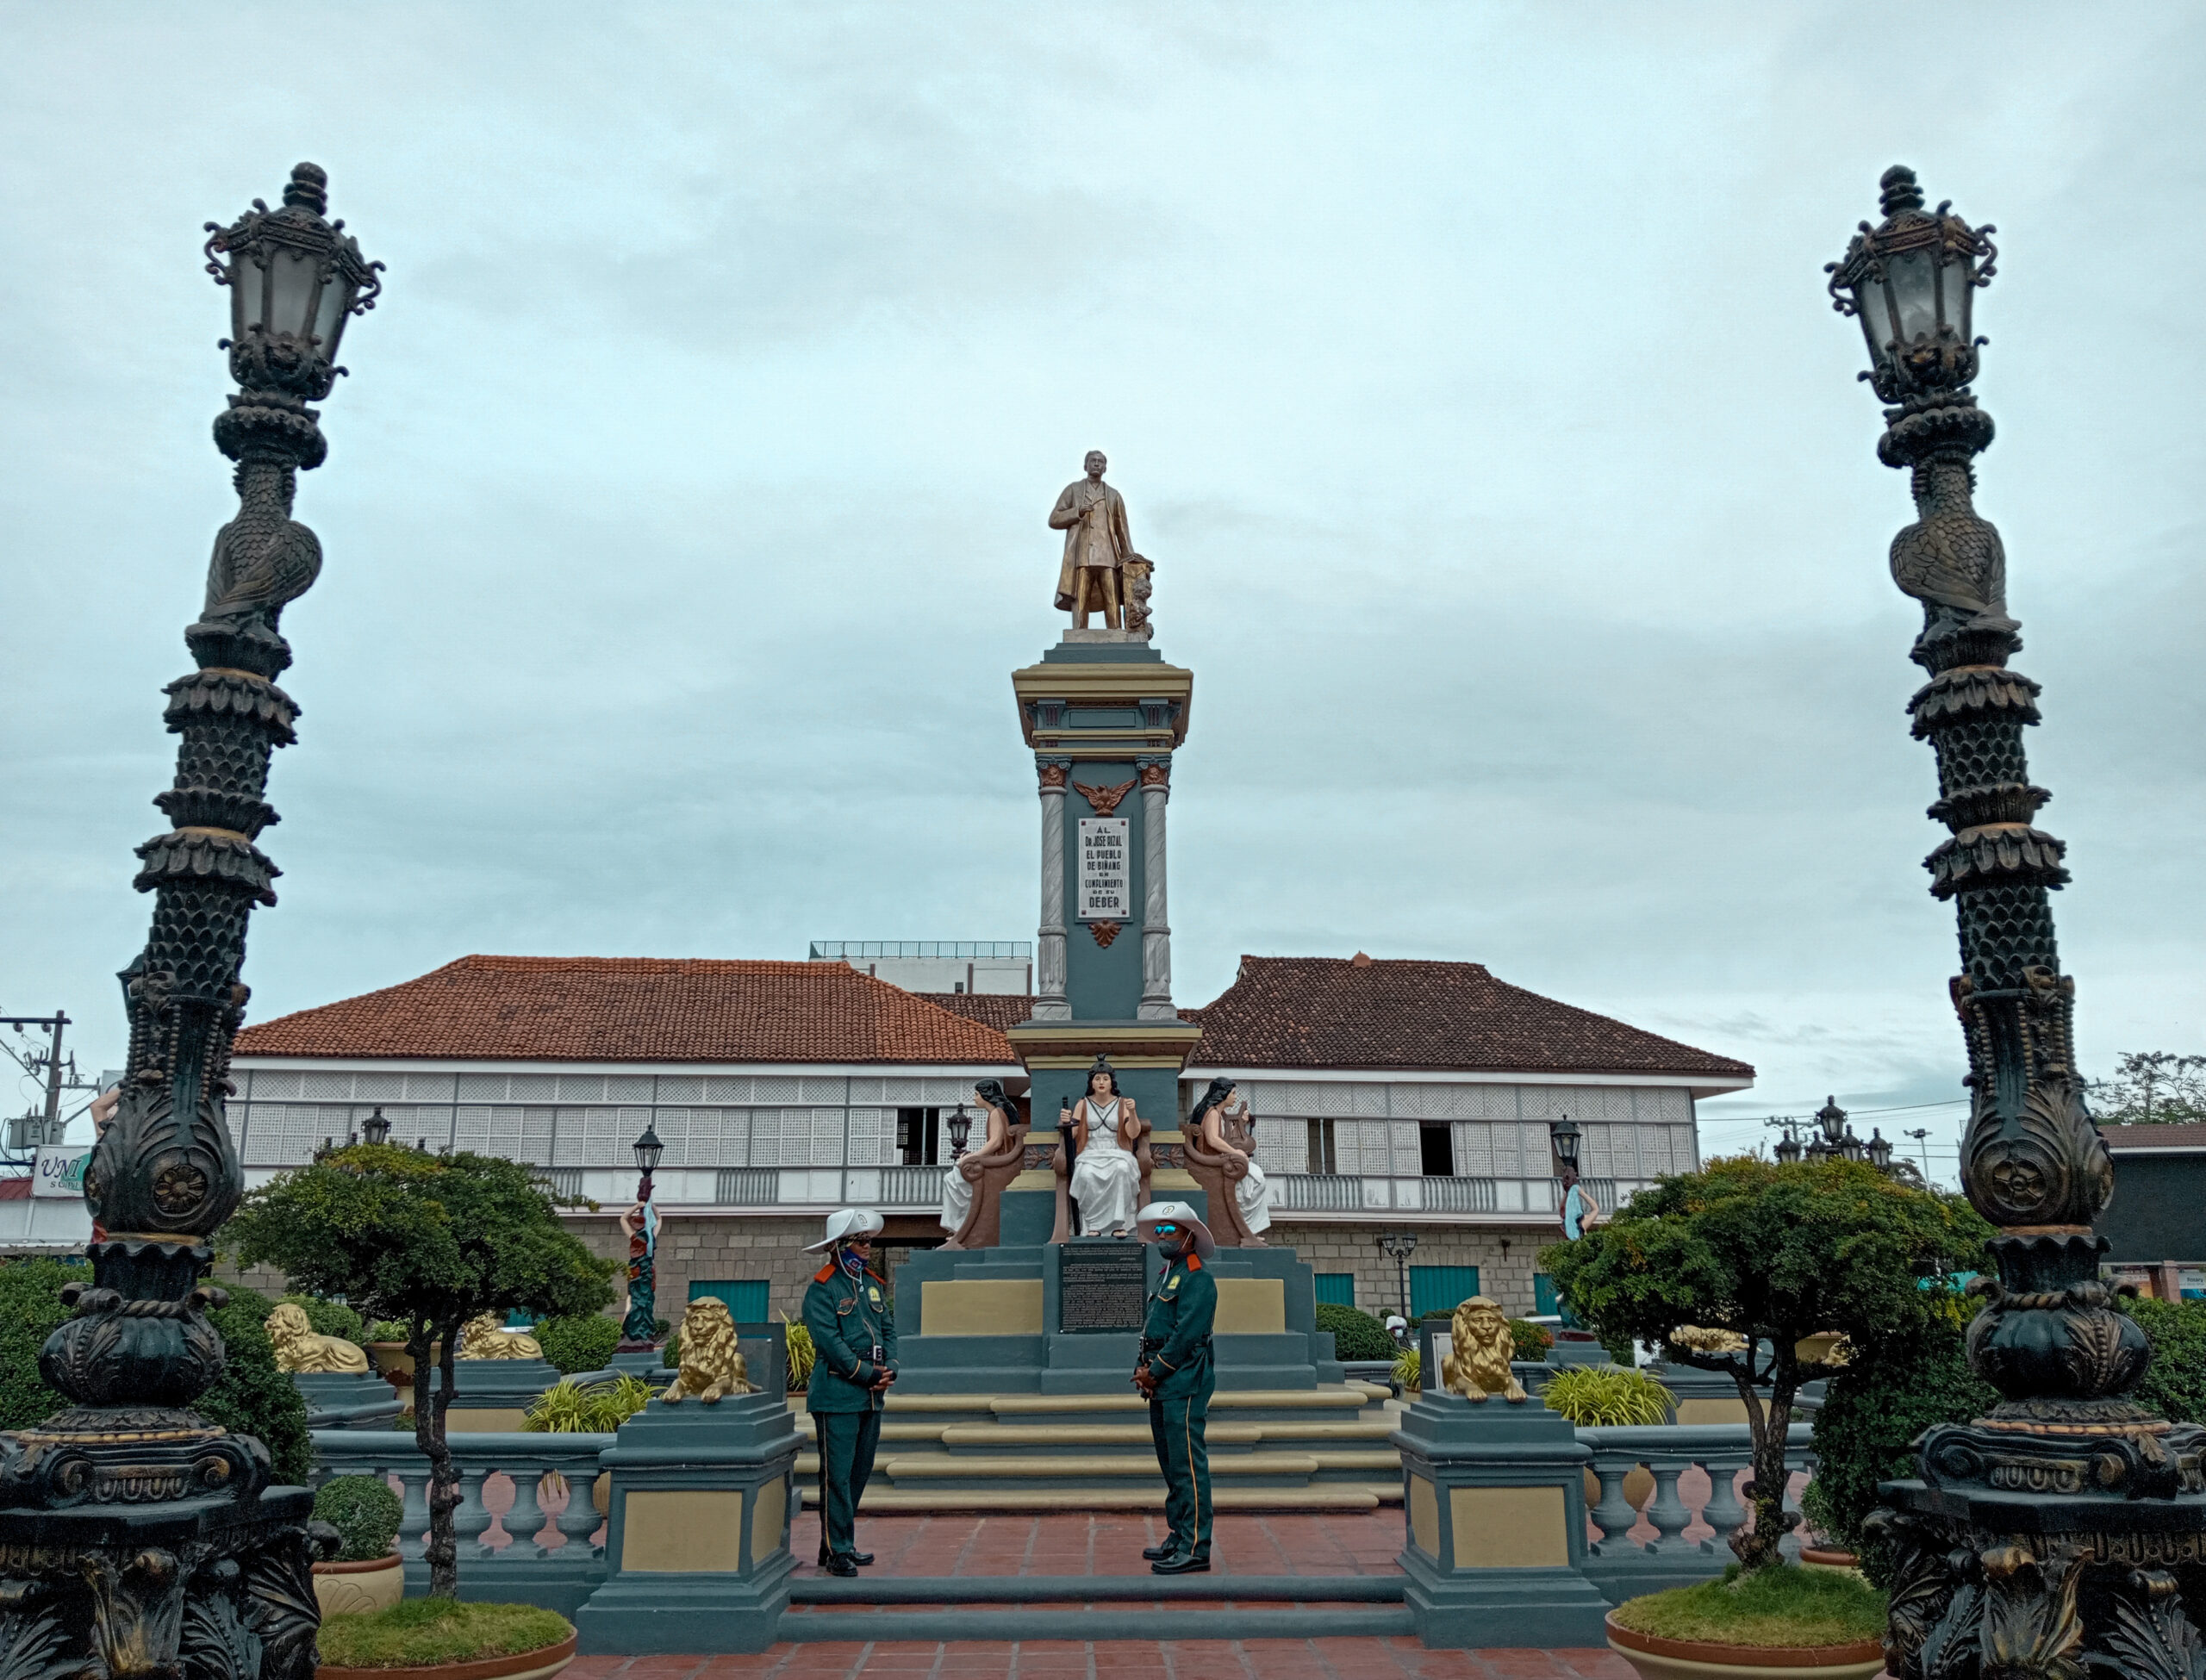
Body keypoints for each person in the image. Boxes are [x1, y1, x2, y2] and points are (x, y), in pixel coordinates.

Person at [802, 1207, 897, 1577]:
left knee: (858, 1473)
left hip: (871, 1394)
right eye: (860, 1241)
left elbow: (887, 1328)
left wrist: (892, 1368)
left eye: (868, 1240)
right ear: (839, 1246)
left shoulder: (870, 1284)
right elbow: (830, 1344)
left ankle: (837, 1544)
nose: (867, 1247)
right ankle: (838, 1548)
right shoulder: (822, 1288)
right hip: (838, 1393)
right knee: (837, 1476)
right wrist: (866, 1374)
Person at [1134, 1200, 1216, 1574]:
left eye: (1171, 1231)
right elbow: (1154, 1327)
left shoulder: (1198, 1278)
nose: (1163, 1237)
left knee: (1187, 1466)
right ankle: (1179, 1534)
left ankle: (1196, 1546)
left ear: (1190, 1237)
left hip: (1183, 1381)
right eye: (1161, 1231)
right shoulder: (1168, 1274)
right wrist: (1143, 1368)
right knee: (1170, 1464)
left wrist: (1157, 1371)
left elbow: (1187, 1336)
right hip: (1163, 1381)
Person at [1049, 451, 1135, 630]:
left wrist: (1129, 558)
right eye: (1093, 461)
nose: (1096, 464)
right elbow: (1054, 519)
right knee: (1081, 599)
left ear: (1105, 468)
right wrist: (1077, 512)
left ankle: (1116, 633)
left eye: (1100, 462)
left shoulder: (1113, 495)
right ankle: (1079, 633)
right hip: (1082, 556)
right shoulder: (1073, 490)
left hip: (1108, 556)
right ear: (1085, 466)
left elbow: (1122, 531)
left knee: (1112, 599)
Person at [1069, 1058, 1143, 1237]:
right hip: (1090, 1152)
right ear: (1091, 1082)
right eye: (1097, 1079)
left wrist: (1132, 1113)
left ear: (1112, 1082)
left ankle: (1118, 1224)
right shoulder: (1083, 1104)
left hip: (1117, 1151)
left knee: (1122, 1170)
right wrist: (1066, 1121)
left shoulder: (1122, 1103)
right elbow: (1072, 1133)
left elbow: (1132, 1134)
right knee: (1086, 1174)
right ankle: (1093, 1225)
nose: (1101, 1083)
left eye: (1105, 1079)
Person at [1189, 1076, 1269, 1241]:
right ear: (1223, 1094)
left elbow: (1224, 1138)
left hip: (1221, 1160)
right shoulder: (1212, 1113)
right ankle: (1245, 1227)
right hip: (1214, 1164)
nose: (1235, 1097)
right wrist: (1235, 1152)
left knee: (1256, 1175)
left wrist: (1242, 1123)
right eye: (1233, 1093)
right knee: (1256, 1178)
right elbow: (1213, 1140)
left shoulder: (1219, 1113)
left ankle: (1247, 1228)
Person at [939, 1080, 1013, 1239]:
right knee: (954, 1177)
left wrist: (971, 1157)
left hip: (998, 1165)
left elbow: (996, 1142)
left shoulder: (996, 1113)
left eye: (977, 1094)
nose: (974, 1098)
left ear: (986, 1095)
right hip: (994, 1162)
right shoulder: (995, 1113)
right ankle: (961, 1226)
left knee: (953, 1178)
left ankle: (962, 1227)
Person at [1559, 1166, 1603, 1241]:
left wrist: (1567, 1194)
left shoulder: (1566, 1225)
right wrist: (1582, 1193)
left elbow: (1561, 1209)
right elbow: (1596, 1209)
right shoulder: (1581, 1226)